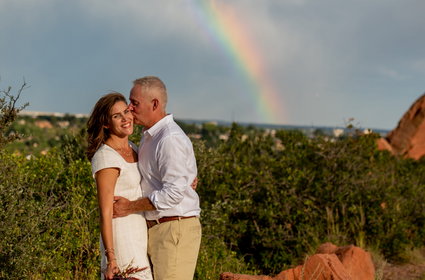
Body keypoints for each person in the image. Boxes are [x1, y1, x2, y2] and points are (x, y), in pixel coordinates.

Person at [113, 76, 202, 280]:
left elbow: (173, 193)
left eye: (135, 103)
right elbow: (172, 183)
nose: (129, 108)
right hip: (160, 229)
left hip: (173, 229)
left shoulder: (169, 139)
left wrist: (129, 207)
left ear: (154, 104)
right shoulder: (151, 136)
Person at [87, 92, 153, 280]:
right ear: (106, 124)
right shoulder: (107, 157)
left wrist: (184, 181)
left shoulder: (133, 148)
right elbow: (105, 211)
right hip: (122, 240)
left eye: (126, 112)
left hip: (139, 237)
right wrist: (111, 258)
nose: (126, 119)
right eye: (117, 116)